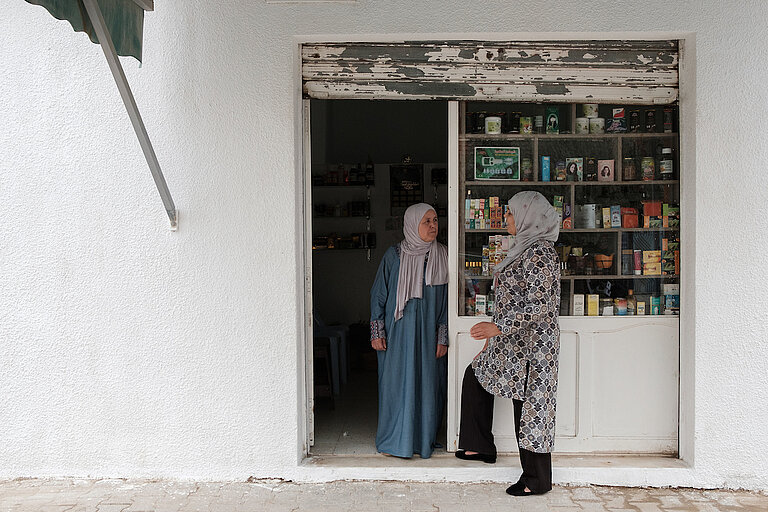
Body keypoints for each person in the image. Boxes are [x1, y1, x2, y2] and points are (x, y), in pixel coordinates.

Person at [455, 191, 561, 497]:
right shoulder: (522, 249)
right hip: (509, 344)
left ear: (529, 217)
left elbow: (540, 306)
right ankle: (479, 446)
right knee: (476, 375)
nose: (507, 218)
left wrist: (497, 327)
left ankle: (536, 480)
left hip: (533, 347)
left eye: (512, 213)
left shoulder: (540, 253)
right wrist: (493, 337)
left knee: (530, 410)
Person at [370, 203, 449, 458]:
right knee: (396, 384)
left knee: (427, 385)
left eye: (435, 220)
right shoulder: (394, 255)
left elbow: (448, 301)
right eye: (426, 221)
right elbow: (379, 294)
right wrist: (377, 331)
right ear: (412, 224)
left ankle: (422, 441)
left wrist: (443, 335)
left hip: (428, 334)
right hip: (398, 333)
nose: (433, 226)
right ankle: (396, 440)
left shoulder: (442, 255)